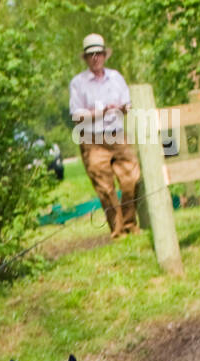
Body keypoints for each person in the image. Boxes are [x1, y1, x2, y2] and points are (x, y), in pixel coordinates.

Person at [69, 33, 141, 239]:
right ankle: (118, 231)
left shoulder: (116, 77)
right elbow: (76, 115)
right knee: (105, 188)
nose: (95, 58)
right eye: (91, 55)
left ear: (104, 55)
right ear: (85, 58)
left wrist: (122, 108)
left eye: (98, 54)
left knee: (131, 179)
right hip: (92, 140)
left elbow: (128, 103)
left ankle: (130, 223)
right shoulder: (78, 83)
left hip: (117, 135)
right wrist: (99, 112)